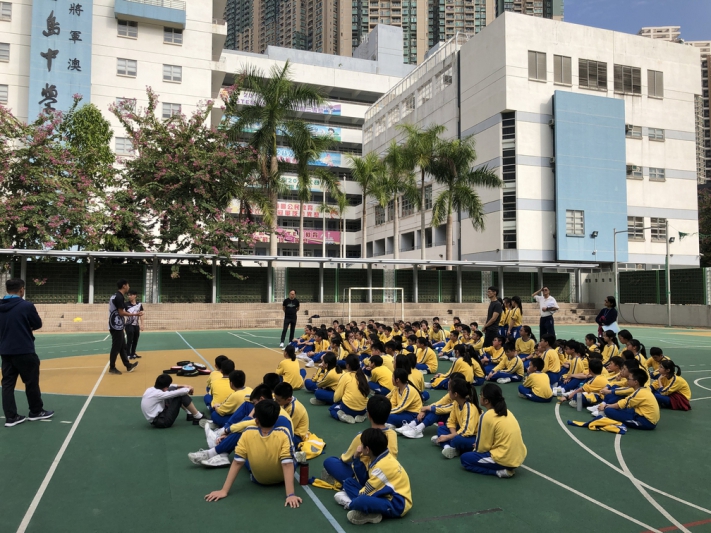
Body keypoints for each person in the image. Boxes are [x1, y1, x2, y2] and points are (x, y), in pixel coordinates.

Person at [204, 399, 301, 508]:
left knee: (243, 456)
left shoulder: (247, 432)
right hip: (281, 478)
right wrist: (290, 495)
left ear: (256, 420)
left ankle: (220, 452)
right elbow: (287, 464)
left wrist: (224, 490)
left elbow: (237, 463)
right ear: (276, 419)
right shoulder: (284, 432)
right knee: (291, 457)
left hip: (259, 479)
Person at [0, 278, 53, 427]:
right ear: (21, 289)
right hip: (24, 349)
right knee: (31, 382)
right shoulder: (26, 306)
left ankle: (11, 417)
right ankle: (36, 411)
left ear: (7, 290)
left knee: (7, 384)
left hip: (6, 351)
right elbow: (37, 323)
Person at [332, 428, 412, 525]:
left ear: (367, 449)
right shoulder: (380, 457)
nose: (360, 446)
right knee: (349, 482)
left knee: (361, 500)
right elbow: (363, 481)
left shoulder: (381, 468)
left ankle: (351, 504)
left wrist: (356, 500)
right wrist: (356, 458)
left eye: (362, 444)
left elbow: (365, 493)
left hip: (396, 504)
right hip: (383, 494)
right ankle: (370, 509)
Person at [322, 395, 398, 485]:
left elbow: (346, 458)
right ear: (388, 415)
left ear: (369, 415)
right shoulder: (393, 434)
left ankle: (350, 484)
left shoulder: (362, 437)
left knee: (330, 461)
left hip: (367, 478)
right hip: (388, 476)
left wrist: (343, 458)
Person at [460, 383, 527, 478]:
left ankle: (498, 472)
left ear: (486, 401)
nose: (479, 397)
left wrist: (476, 447)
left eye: (481, 395)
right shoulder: (507, 411)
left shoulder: (486, 416)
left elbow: (482, 448)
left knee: (465, 459)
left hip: (503, 459)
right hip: (518, 457)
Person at [432, 378, 481, 459]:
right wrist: (452, 435)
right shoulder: (456, 403)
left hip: (474, 436)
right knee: (441, 428)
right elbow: (451, 422)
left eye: (449, 390)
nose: (448, 392)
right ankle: (448, 447)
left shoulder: (469, 407)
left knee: (458, 440)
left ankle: (447, 443)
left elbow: (466, 431)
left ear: (455, 394)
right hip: (462, 432)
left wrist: (448, 437)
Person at [108, 279, 142, 375]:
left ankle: (128, 365)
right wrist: (135, 314)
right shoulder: (119, 297)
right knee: (116, 347)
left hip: (116, 324)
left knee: (123, 346)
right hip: (116, 325)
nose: (129, 287)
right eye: (128, 285)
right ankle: (112, 367)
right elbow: (121, 313)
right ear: (124, 286)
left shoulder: (115, 295)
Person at [124, 289, 144, 360]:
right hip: (129, 325)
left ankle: (133, 353)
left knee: (135, 340)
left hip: (136, 325)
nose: (129, 296)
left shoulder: (139, 304)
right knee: (130, 340)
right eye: (128, 295)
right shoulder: (126, 304)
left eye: (130, 295)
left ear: (135, 296)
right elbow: (123, 313)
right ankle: (127, 354)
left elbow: (141, 314)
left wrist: (142, 324)